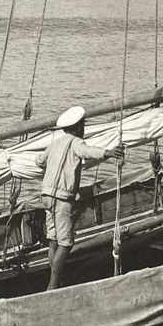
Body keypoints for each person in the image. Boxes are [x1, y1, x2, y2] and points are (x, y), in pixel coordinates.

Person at [36, 106, 125, 291]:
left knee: (53, 240)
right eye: (82, 125)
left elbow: (39, 161)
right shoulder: (76, 142)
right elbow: (87, 152)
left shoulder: (54, 144)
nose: (83, 129)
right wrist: (108, 153)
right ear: (76, 128)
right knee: (66, 243)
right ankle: (52, 286)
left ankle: (55, 280)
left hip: (46, 195)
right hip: (62, 197)